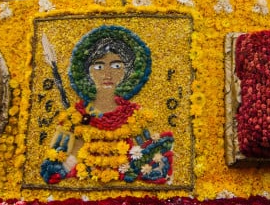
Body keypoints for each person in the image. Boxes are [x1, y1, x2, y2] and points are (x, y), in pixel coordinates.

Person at [40, 26, 173, 185]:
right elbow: (52, 168)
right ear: (87, 72)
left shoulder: (135, 117)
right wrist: (66, 164)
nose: (107, 74)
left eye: (116, 66)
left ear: (128, 71)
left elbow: (149, 159)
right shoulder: (74, 118)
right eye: (99, 66)